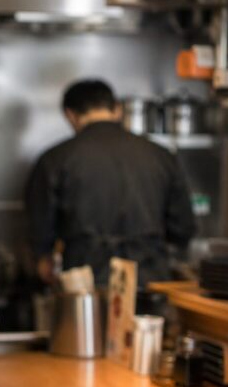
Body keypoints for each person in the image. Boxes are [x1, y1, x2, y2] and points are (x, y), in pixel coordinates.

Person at [25, 79, 196, 288]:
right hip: (150, 279)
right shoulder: (161, 156)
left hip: (85, 282)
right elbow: (183, 228)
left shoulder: (55, 159)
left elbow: (40, 226)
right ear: (117, 109)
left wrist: (43, 257)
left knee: (89, 321)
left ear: (70, 115)